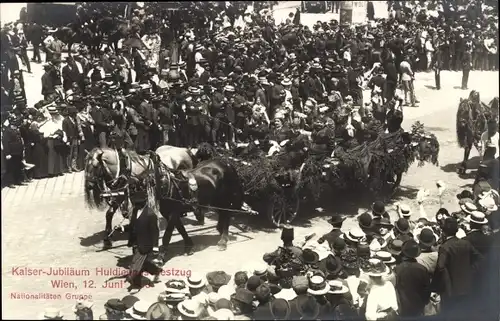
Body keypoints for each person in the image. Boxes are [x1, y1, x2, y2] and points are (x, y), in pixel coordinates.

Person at [431, 217, 484, 320]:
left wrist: (435, 287)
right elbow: (480, 258)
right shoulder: (465, 243)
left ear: (444, 231)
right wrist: (471, 270)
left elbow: (440, 267)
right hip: (467, 287)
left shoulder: (445, 247)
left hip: (450, 291)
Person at [126, 177, 162, 290]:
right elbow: (132, 226)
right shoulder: (135, 211)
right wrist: (122, 228)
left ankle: (136, 285)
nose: (135, 205)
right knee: (144, 264)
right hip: (135, 242)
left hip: (145, 244)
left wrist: (155, 246)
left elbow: (155, 232)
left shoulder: (151, 215)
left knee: (135, 266)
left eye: (138, 204)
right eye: (135, 203)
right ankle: (156, 270)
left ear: (143, 203)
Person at [395, 240, 431, 318]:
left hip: (402, 306)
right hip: (418, 306)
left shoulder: (398, 269)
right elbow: (426, 289)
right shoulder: (422, 269)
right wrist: (424, 302)